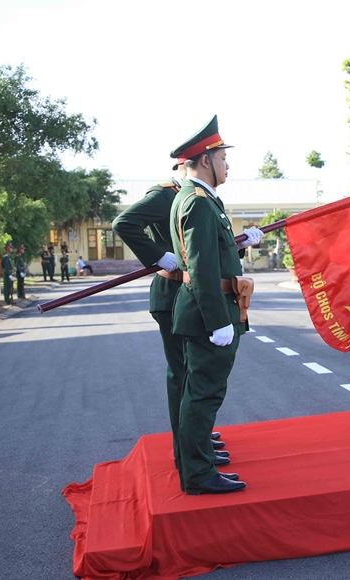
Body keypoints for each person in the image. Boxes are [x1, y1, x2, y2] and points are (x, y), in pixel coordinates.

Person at [113, 161, 233, 476]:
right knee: (183, 376)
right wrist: (156, 255)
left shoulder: (192, 196)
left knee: (191, 376)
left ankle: (197, 442)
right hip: (171, 291)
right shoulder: (167, 194)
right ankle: (189, 453)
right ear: (186, 164)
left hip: (183, 290)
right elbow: (124, 223)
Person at [168, 115, 263, 495]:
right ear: (205, 160)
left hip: (209, 307)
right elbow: (203, 267)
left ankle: (195, 464)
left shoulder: (198, 200)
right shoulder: (200, 203)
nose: (227, 164)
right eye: (222, 157)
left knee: (200, 391)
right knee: (204, 393)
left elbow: (210, 254)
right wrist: (217, 320)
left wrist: (239, 244)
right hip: (211, 311)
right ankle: (198, 473)